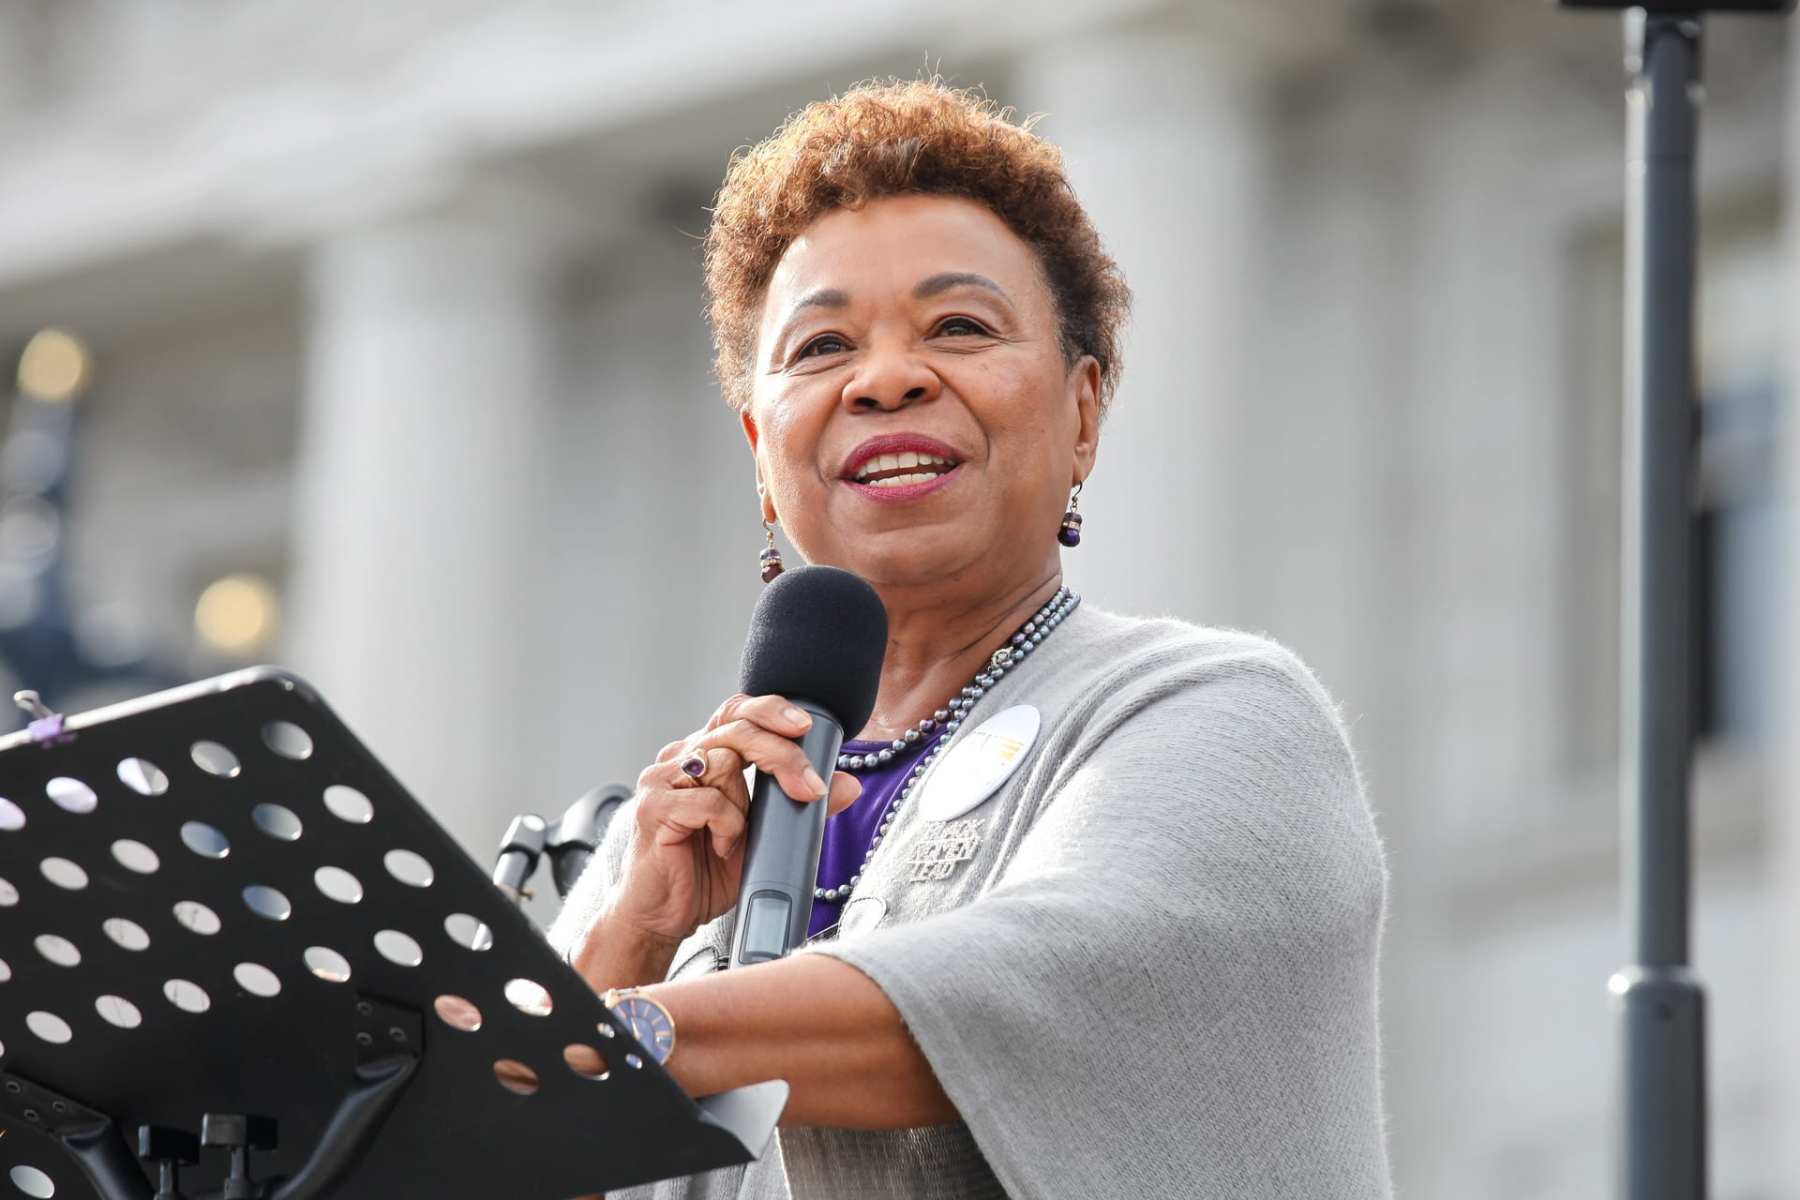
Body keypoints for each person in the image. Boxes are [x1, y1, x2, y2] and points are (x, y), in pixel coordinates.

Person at [549, 78, 1392, 1199]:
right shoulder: (663, 839)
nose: (887, 376)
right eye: (821, 346)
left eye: (958, 327)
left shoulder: (1217, 714)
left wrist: (625, 1032)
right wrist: (629, 939)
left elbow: (1039, 986)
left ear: (1083, 410)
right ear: (760, 446)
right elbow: (471, 1148)